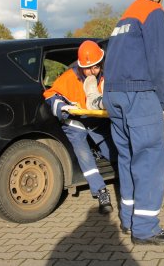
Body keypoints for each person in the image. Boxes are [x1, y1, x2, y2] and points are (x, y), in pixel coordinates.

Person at [102, 0, 164, 245]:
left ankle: (128, 220)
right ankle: (145, 229)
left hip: (115, 94)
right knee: (149, 160)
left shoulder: (124, 17)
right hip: (140, 95)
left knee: (128, 158)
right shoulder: (152, 10)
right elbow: (159, 61)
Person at [43, 40, 114, 215]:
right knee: (84, 156)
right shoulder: (69, 77)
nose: (93, 72)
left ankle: (127, 183)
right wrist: (61, 107)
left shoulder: (105, 78)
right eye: (88, 68)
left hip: (95, 122)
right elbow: (50, 95)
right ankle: (101, 192)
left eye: (96, 67)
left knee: (113, 151)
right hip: (74, 122)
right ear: (81, 66)